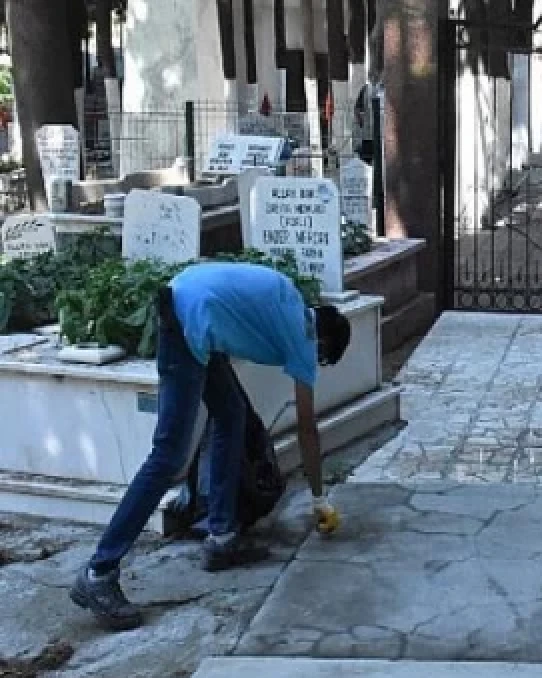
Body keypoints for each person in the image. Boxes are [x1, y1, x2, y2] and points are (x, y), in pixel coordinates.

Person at [69, 261, 351, 631]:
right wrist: (319, 499)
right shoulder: (303, 336)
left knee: (231, 413)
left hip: (191, 309)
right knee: (168, 456)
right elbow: (307, 428)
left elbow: (230, 304)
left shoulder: (289, 301)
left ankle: (222, 536)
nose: (314, 363)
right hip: (186, 326)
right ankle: (98, 572)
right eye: (322, 359)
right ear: (324, 341)